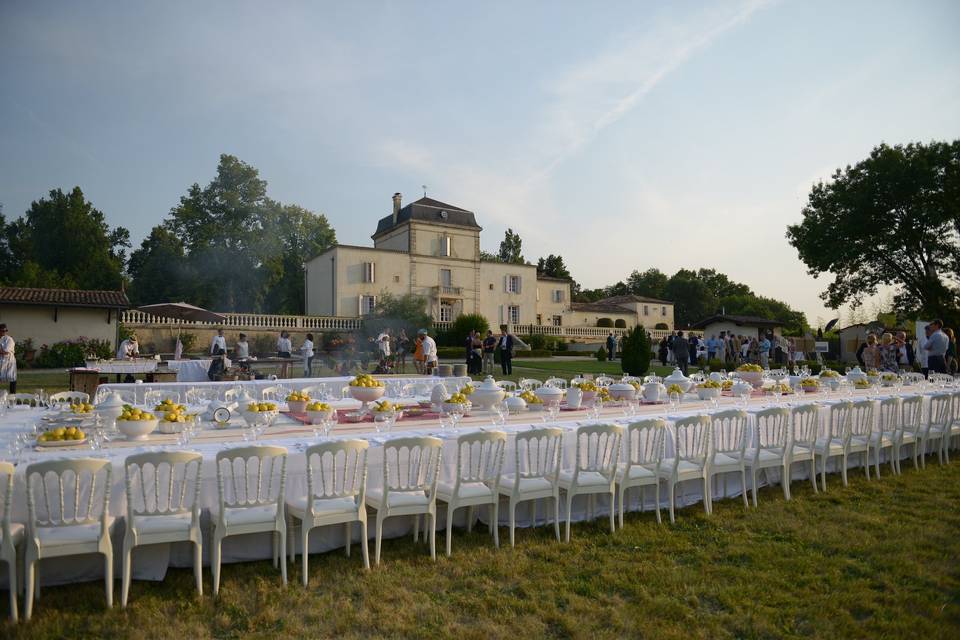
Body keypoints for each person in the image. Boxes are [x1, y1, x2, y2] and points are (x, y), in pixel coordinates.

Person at [0, 324, 17, 394]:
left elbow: (5, 352)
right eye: (2, 330)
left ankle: (12, 396)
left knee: (12, 379)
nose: (4, 332)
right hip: (0, 361)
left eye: (5, 331)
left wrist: (1, 351)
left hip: (9, 362)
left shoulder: (9, 339)